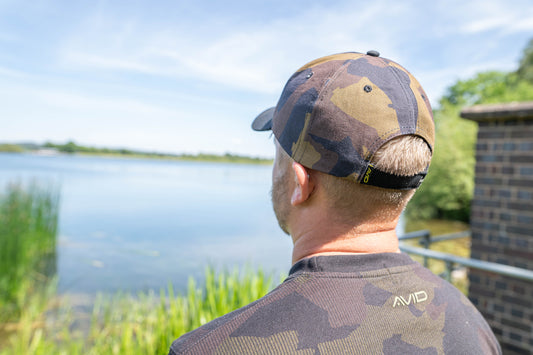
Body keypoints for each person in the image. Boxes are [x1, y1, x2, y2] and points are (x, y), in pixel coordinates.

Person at [168, 51, 501, 354]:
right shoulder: (471, 324)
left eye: (277, 155)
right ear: (410, 187)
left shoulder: (209, 349)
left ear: (301, 182)